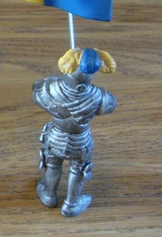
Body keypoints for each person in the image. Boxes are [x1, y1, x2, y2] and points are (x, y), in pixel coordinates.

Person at [33, 47, 118, 217]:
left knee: (53, 164)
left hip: (55, 138)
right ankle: (71, 204)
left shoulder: (49, 88)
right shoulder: (100, 97)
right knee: (77, 170)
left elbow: (37, 95)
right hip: (80, 142)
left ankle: (49, 195)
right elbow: (111, 105)